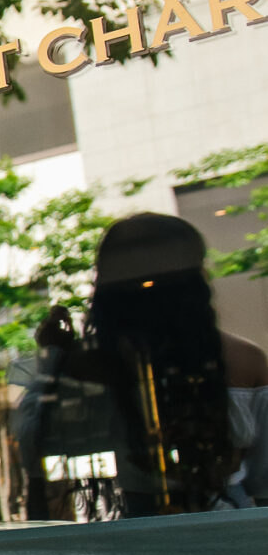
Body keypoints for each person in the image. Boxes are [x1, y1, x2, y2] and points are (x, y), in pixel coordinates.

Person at [16, 211, 268, 514]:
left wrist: (52, 363)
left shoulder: (83, 365)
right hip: (226, 522)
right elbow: (263, 476)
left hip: (143, 523)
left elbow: (36, 453)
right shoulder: (244, 359)